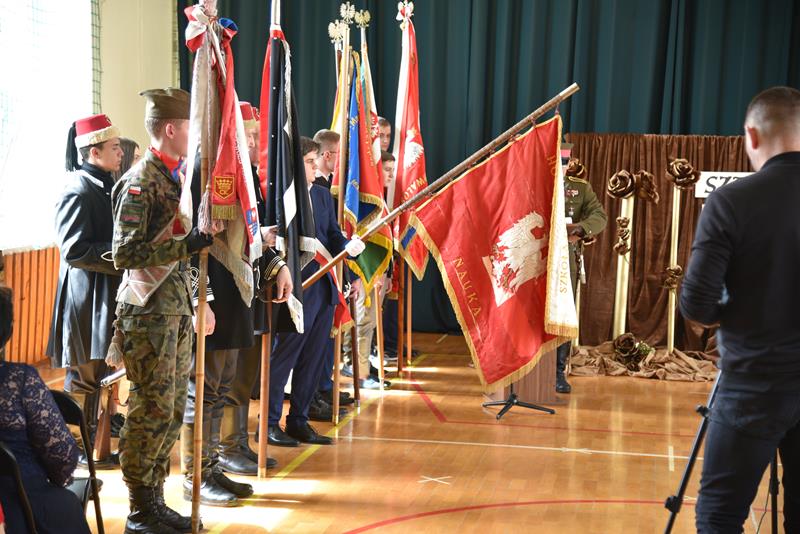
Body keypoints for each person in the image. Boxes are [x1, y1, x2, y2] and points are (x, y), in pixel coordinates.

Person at [680, 86, 800, 533]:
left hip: (753, 383)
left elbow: (697, 303)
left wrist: (740, 307)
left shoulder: (732, 200)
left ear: (751, 135)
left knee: (720, 515)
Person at [112, 87, 213, 534]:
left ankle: (155, 498)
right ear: (170, 129)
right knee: (149, 410)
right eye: (190, 126)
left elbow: (182, 254)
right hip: (147, 313)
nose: (195, 134)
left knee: (170, 411)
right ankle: (139, 508)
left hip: (174, 310)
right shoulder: (141, 180)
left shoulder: (176, 178)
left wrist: (199, 298)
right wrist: (185, 245)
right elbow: (124, 253)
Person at [182, 102, 290, 505]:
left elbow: (251, 236)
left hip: (237, 293)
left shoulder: (242, 177)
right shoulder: (203, 172)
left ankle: (213, 467)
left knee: (221, 387)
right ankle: (195, 476)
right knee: (201, 390)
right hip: (212, 297)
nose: (256, 141)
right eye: (249, 134)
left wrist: (277, 265)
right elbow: (188, 245)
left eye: (256, 134)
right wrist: (201, 300)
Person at [267, 137, 364, 448]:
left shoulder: (322, 195)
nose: (315, 166)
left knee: (314, 356)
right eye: (309, 161)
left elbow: (332, 235)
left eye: (314, 161)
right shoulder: (282, 197)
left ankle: (299, 419)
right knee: (285, 357)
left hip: (323, 287)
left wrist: (347, 246)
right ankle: (269, 422)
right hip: (295, 288)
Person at [47, 113, 124, 462]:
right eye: (114, 147)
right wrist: (122, 256)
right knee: (84, 375)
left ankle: (95, 447)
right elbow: (74, 250)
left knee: (103, 373)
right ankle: (74, 448)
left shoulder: (108, 185)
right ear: (94, 152)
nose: (120, 152)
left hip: (106, 290)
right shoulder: (76, 189)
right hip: (85, 295)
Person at [0, 253, 91, 534]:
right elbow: (63, 456)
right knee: (65, 505)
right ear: (7, 331)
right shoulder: (19, 380)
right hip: (19, 502)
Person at [554, 155, 607, 393]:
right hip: (534, 259)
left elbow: (599, 215)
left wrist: (581, 229)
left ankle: (557, 371)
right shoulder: (529, 181)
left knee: (564, 314)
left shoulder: (580, 188)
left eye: (564, 162)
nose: (562, 167)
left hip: (565, 261)